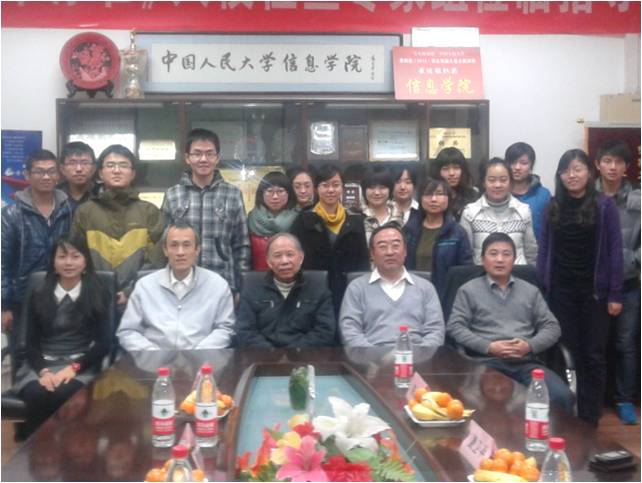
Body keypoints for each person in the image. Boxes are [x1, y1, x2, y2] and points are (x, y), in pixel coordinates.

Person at [537, 148, 623, 426]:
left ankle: (590, 416)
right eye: (565, 170)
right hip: (560, 292)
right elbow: (544, 249)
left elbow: (614, 251)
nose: (571, 175)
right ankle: (567, 415)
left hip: (595, 293)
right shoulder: (552, 206)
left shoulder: (604, 206)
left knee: (593, 355)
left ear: (589, 172)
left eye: (577, 169)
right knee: (566, 354)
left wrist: (615, 293)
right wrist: (544, 287)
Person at [447, 233, 574, 414]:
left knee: (562, 396)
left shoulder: (530, 291)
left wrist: (529, 345)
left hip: (525, 363)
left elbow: (552, 327)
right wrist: (488, 346)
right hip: (485, 362)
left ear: (514, 259)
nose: (500, 259)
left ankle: (546, 433)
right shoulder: (468, 290)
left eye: (506, 254)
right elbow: (455, 326)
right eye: (493, 254)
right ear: (482, 259)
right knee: (484, 401)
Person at [13, 235, 110, 436]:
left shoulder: (97, 292)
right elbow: (30, 343)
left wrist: (73, 368)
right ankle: (38, 450)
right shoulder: (39, 293)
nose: (68, 263)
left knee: (64, 394)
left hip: (80, 365)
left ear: (85, 262)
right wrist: (44, 372)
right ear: (53, 262)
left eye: (75, 256)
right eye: (62, 256)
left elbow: (103, 343)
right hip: (40, 365)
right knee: (37, 394)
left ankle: (68, 448)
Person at [71, 145, 165, 312]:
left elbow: (156, 260)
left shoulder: (149, 212)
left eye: (123, 165)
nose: (116, 170)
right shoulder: (85, 212)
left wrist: (131, 291)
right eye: (110, 165)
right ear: (100, 173)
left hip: (140, 300)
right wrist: (96, 291)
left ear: (133, 173)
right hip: (94, 301)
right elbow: (76, 258)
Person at [117, 221, 235, 351]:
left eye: (186, 245)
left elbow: (225, 329)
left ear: (197, 250)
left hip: (202, 360)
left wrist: (199, 354)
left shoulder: (217, 285)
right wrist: (153, 354)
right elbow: (128, 331)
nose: (180, 252)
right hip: (153, 360)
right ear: (165, 250)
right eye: (174, 245)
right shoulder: (144, 286)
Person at [162, 128, 250, 299]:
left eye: (209, 154)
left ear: (217, 157)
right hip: (181, 284)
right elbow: (164, 244)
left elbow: (242, 245)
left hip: (222, 282)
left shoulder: (232, 194)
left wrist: (241, 288)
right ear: (187, 157)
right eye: (197, 154)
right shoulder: (173, 194)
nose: (203, 159)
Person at [594, 139, 641, 424]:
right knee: (596, 344)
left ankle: (625, 399)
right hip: (596, 286)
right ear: (597, 164)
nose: (613, 167)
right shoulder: (589, 197)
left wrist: (632, 261)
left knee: (625, 344)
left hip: (628, 283)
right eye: (607, 161)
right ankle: (597, 398)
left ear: (626, 167)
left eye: (619, 162)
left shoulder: (638, 200)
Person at [340, 224, 445, 348]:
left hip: (417, 356)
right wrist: (374, 356)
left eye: (395, 245)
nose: (389, 252)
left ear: (405, 251)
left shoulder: (425, 287)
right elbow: (349, 331)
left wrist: (416, 355)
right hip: (370, 357)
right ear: (372, 254)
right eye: (382, 247)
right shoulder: (356, 288)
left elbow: (435, 330)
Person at [2, 150, 73, 333]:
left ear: (58, 174)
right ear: (27, 175)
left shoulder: (69, 210)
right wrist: (4, 306)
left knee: (58, 345)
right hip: (22, 298)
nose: (46, 177)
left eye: (51, 171)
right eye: (39, 171)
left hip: (61, 294)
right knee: (22, 347)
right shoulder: (11, 214)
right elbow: (3, 262)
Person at [290, 164, 370, 314]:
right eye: (325, 185)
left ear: (342, 188)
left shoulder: (355, 219)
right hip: (312, 291)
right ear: (316, 188)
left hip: (348, 291)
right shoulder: (303, 219)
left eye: (335, 185)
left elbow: (363, 261)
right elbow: (295, 258)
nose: (331, 190)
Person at [236, 233, 335, 348]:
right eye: (277, 256)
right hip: (263, 354)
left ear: (301, 258)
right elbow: (245, 331)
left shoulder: (318, 286)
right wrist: (271, 353)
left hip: (305, 354)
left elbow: (325, 332)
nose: (284, 261)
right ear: (269, 261)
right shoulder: (251, 286)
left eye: (290, 254)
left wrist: (293, 352)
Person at [460, 157, 538, 265]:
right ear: (483, 183)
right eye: (492, 180)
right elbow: (465, 254)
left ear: (510, 182)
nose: (497, 185)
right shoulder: (470, 213)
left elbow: (531, 253)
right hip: (482, 273)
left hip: (518, 273)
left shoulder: (523, 211)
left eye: (503, 180)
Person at [404, 177, 473, 299]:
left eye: (440, 194)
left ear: (448, 198)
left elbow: (465, 270)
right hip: (412, 294)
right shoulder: (409, 231)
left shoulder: (457, 233)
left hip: (446, 295)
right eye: (428, 194)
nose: (434, 199)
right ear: (420, 198)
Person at [247, 171, 298, 270]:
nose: (275, 196)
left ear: (289, 193)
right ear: (261, 194)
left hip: (290, 274)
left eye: (280, 191)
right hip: (256, 275)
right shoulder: (251, 219)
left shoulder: (299, 220)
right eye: (270, 191)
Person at [505, 142, 551, 241]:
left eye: (523, 163)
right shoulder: (500, 194)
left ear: (531, 166)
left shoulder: (543, 195)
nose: (517, 167)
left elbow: (550, 231)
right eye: (513, 162)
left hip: (536, 249)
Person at [429, 147, 478, 221]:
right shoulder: (431, 197)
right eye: (445, 169)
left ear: (463, 170)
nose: (451, 173)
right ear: (438, 171)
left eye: (456, 168)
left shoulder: (473, 195)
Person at [361, 166, 403, 243]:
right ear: (364, 190)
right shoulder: (356, 217)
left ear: (390, 190)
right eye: (372, 187)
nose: (377, 192)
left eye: (382, 187)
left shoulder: (400, 218)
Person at [58, 141, 99, 211]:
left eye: (85, 163)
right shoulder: (54, 195)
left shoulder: (102, 194)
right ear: (62, 169)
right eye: (72, 163)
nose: (79, 169)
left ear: (94, 168)